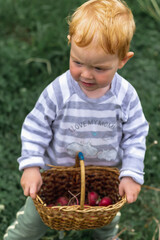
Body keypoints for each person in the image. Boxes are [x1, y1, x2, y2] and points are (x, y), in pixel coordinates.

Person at [3, 0, 149, 240]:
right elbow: (36, 126)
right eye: (78, 62)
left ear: (123, 60)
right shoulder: (59, 91)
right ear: (71, 45)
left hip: (103, 179)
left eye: (100, 68)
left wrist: (131, 173)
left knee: (105, 221)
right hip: (54, 177)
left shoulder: (125, 96)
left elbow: (135, 134)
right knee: (31, 224)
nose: (86, 74)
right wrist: (31, 165)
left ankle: (108, 235)